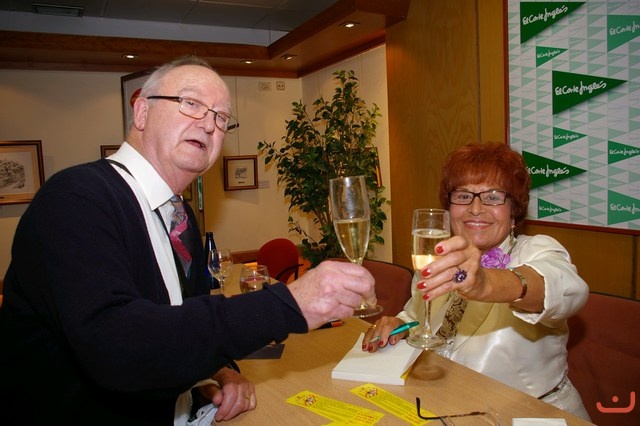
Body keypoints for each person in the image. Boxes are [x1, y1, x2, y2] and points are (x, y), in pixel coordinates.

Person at [0, 56, 376, 425]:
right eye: (191, 103)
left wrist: (218, 371)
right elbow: (117, 346)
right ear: (142, 112)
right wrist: (286, 304)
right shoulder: (76, 199)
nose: (209, 124)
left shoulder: (179, 217)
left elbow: (181, 322)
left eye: (221, 117)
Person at [363, 142, 591, 420]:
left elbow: (567, 291)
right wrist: (398, 325)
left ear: (513, 209)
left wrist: (486, 284)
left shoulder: (537, 250)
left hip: (531, 415)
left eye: (493, 197)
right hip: (449, 408)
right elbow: (416, 316)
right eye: (463, 196)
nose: (475, 208)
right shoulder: (439, 258)